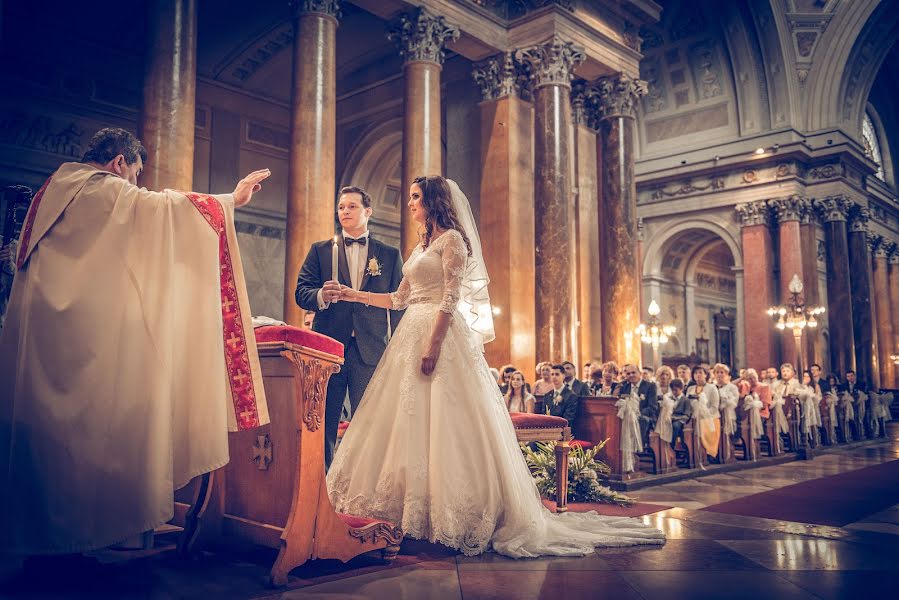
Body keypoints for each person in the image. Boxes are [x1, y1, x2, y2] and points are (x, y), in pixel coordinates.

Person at [326, 175, 663, 556]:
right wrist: (353, 294)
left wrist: (433, 346)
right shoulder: (420, 246)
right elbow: (399, 299)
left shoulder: (452, 240)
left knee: (445, 421)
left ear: (434, 201)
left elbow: (450, 298)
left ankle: (453, 513)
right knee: (404, 422)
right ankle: (405, 510)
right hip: (409, 334)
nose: (410, 204)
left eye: (416, 197)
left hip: (438, 335)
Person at [0, 128, 271, 557]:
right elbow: (166, 209)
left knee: (54, 443)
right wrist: (231, 200)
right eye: (136, 172)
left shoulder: (50, 193)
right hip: (93, 345)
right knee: (106, 432)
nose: (136, 184)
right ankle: (102, 531)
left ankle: (48, 534)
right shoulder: (104, 191)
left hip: (51, 344)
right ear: (118, 163)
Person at [295, 186, 404, 468]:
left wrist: (399, 347)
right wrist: (321, 295)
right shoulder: (319, 251)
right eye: (341, 207)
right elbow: (301, 292)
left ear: (368, 211)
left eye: (352, 206)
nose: (345, 211)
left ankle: (365, 485)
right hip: (328, 347)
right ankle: (322, 483)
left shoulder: (389, 255)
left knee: (369, 423)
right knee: (324, 420)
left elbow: (401, 303)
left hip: (371, 349)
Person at [616, 363, 660, 444]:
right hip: (627, 415)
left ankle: (637, 447)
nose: (631, 375)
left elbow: (652, 407)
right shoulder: (625, 387)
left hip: (645, 416)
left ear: (639, 373)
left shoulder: (650, 386)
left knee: (642, 420)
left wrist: (637, 413)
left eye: (633, 372)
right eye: (628, 374)